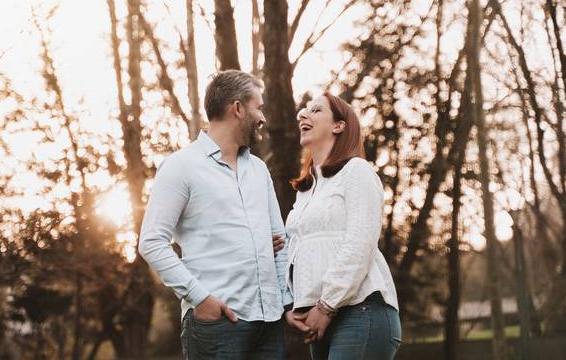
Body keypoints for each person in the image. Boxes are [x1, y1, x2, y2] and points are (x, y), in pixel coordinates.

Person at [139, 70, 296, 360]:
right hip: (217, 324)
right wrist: (200, 298)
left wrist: (286, 302)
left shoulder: (259, 169)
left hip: (270, 325)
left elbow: (279, 240)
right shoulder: (181, 166)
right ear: (237, 108)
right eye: (258, 107)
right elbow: (151, 242)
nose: (262, 118)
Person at [283, 92, 400, 360]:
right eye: (304, 110)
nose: (303, 114)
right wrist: (291, 304)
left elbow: (360, 242)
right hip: (318, 317)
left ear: (339, 125)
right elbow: (295, 251)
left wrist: (327, 305)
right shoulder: (306, 190)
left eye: (315, 110)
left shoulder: (357, 170)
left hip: (360, 310)